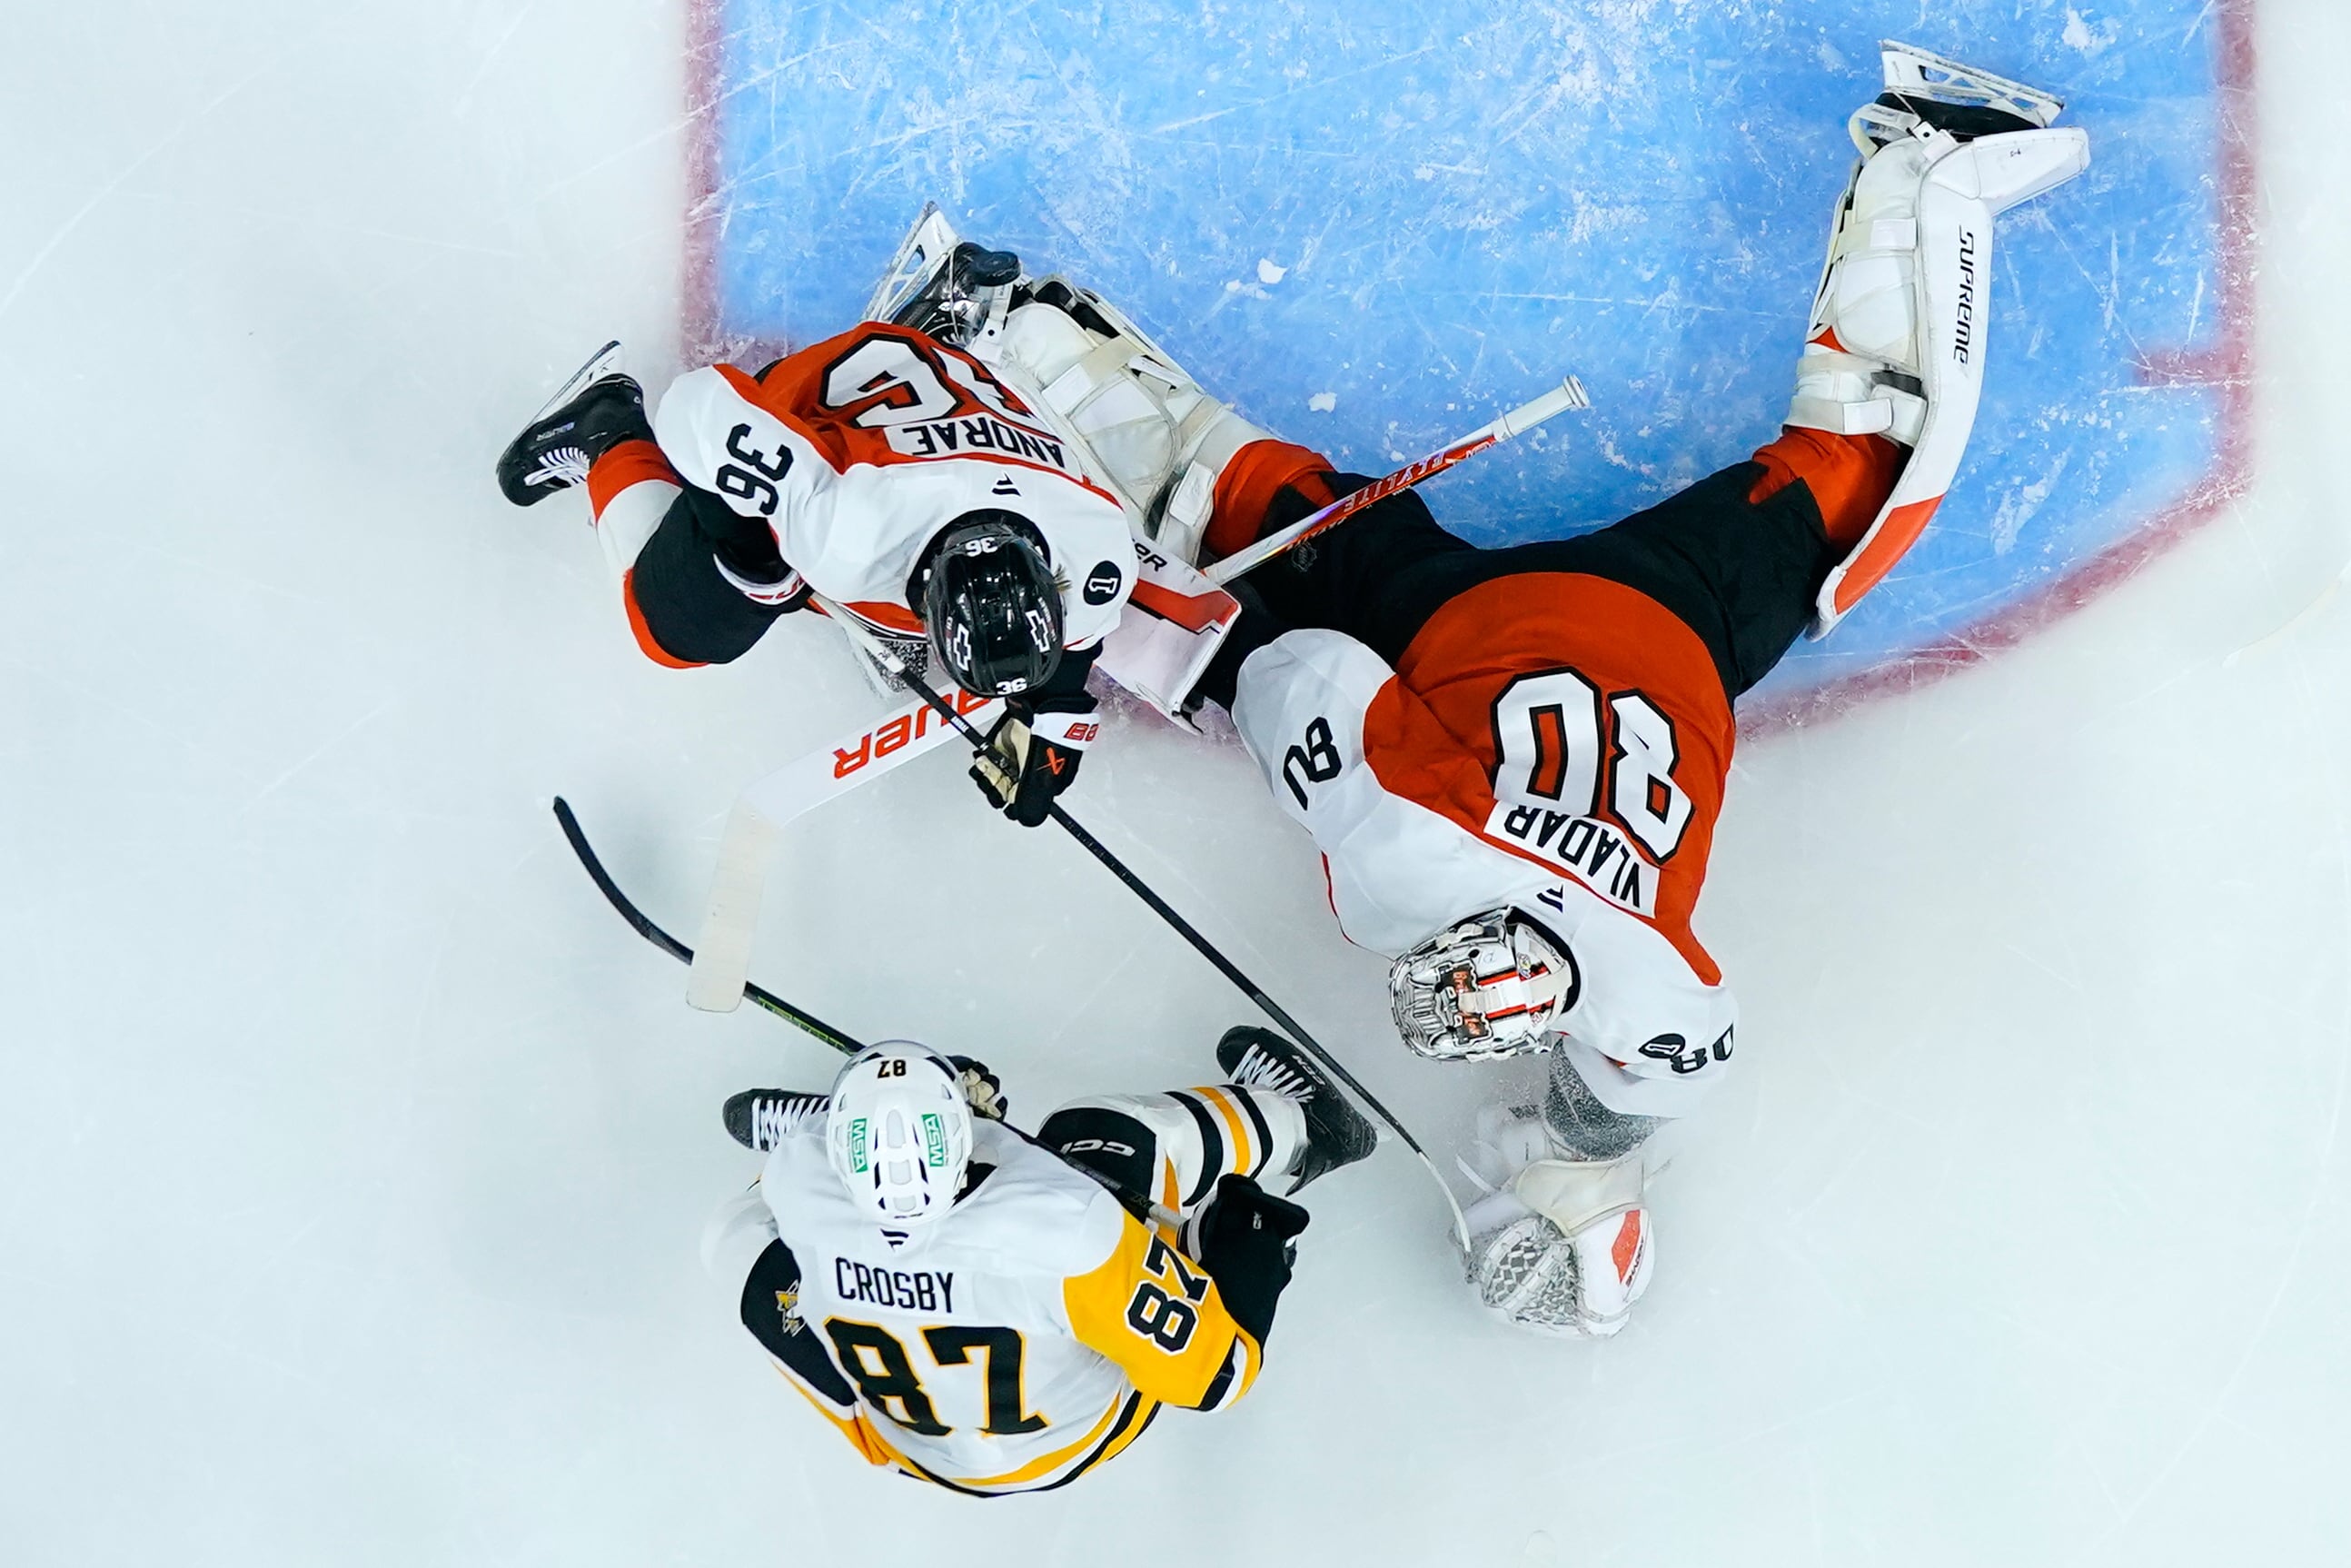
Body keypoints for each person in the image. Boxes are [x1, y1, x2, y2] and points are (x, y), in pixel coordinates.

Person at [1163, 44, 2089, 1335]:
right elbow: (1282, 668)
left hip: (1676, 625)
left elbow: (1626, 1108)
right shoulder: (1400, 867)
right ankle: (1014, 344)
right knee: (1257, 524)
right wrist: (1115, 640)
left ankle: (1924, 159)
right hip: (1471, 621)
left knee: (1865, 463)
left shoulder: (1663, 1003)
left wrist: (1578, 1181)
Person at [493, 235, 1282, 828]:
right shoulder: (843, 522)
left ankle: (937, 328)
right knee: (677, 629)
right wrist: (750, 547)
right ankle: (605, 426)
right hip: (817, 414)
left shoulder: (1096, 552)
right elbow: (698, 406)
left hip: (929, 403)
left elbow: (1079, 637)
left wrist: (1054, 721)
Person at [701, 1030, 1374, 1496]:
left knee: (733, 1237)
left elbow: (823, 1205)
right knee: (1101, 1131)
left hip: (908, 1444)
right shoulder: (1067, 1231)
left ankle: (850, 1127)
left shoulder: (800, 1177)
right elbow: (1217, 1378)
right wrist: (1247, 1251)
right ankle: (1306, 1124)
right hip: (1068, 1435)